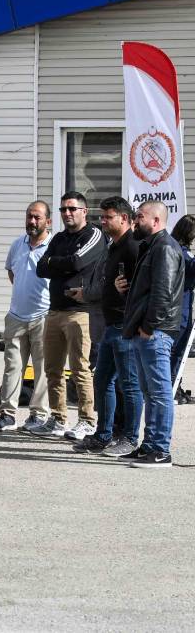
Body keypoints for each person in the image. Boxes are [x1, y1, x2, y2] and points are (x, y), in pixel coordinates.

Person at [68, 196, 141, 455]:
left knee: (129, 384)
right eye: (102, 217)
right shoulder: (113, 246)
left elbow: (144, 287)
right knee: (102, 380)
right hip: (110, 325)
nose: (103, 221)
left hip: (125, 326)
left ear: (124, 218)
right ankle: (103, 434)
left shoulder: (133, 246)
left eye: (108, 217)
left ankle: (130, 437)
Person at [32, 191, 105, 437]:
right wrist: (57, 262)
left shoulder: (93, 234)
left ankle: (86, 420)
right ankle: (58, 418)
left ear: (84, 211)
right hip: (54, 311)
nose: (67, 213)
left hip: (80, 313)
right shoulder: (59, 237)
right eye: (63, 209)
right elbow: (41, 268)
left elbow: (77, 263)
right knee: (52, 369)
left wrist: (55, 262)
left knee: (80, 369)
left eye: (72, 209)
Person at [118, 201, 185, 468]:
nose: (135, 220)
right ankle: (148, 445)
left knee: (159, 393)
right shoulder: (152, 247)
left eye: (140, 216)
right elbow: (149, 290)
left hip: (154, 333)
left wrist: (149, 327)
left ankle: (160, 450)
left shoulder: (165, 248)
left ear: (156, 220)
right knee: (149, 392)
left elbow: (164, 293)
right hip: (145, 331)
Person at [0, 201, 52, 432]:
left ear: (48, 221)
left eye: (37, 217)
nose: (32, 221)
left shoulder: (53, 245)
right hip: (16, 315)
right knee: (12, 366)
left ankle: (38, 415)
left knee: (42, 368)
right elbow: (11, 271)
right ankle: (7, 414)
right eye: (29, 216)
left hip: (43, 316)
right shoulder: (18, 244)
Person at [167, 214, 195, 387]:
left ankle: (174, 382)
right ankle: (171, 384)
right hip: (178, 306)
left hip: (184, 304)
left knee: (180, 348)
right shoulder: (179, 251)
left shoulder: (182, 250)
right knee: (175, 349)